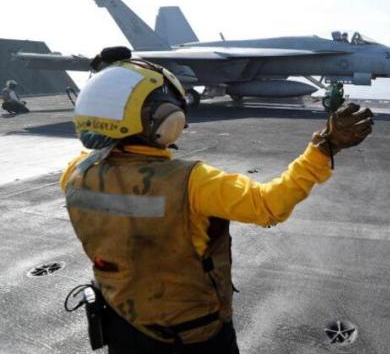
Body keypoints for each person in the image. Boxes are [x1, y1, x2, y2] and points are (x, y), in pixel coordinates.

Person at [60, 47, 374, 353]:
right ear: (163, 117)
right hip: (193, 336)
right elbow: (269, 205)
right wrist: (324, 148)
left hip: (122, 325)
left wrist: (108, 89)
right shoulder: (192, 182)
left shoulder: (75, 173)